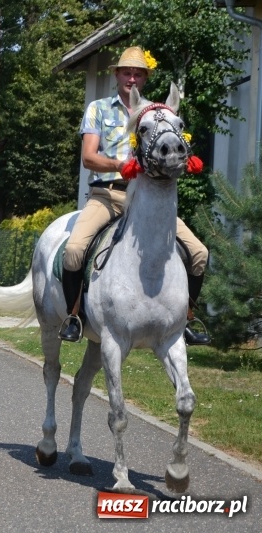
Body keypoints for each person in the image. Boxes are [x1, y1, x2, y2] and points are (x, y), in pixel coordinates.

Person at [59, 46, 210, 346]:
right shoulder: (98, 109)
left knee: (199, 253)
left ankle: (188, 319)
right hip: (107, 195)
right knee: (74, 250)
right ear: (116, 74)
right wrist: (121, 165)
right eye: (126, 72)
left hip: (147, 199)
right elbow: (88, 157)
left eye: (138, 74)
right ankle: (73, 315)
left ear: (145, 78)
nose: (131, 78)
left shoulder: (158, 113)